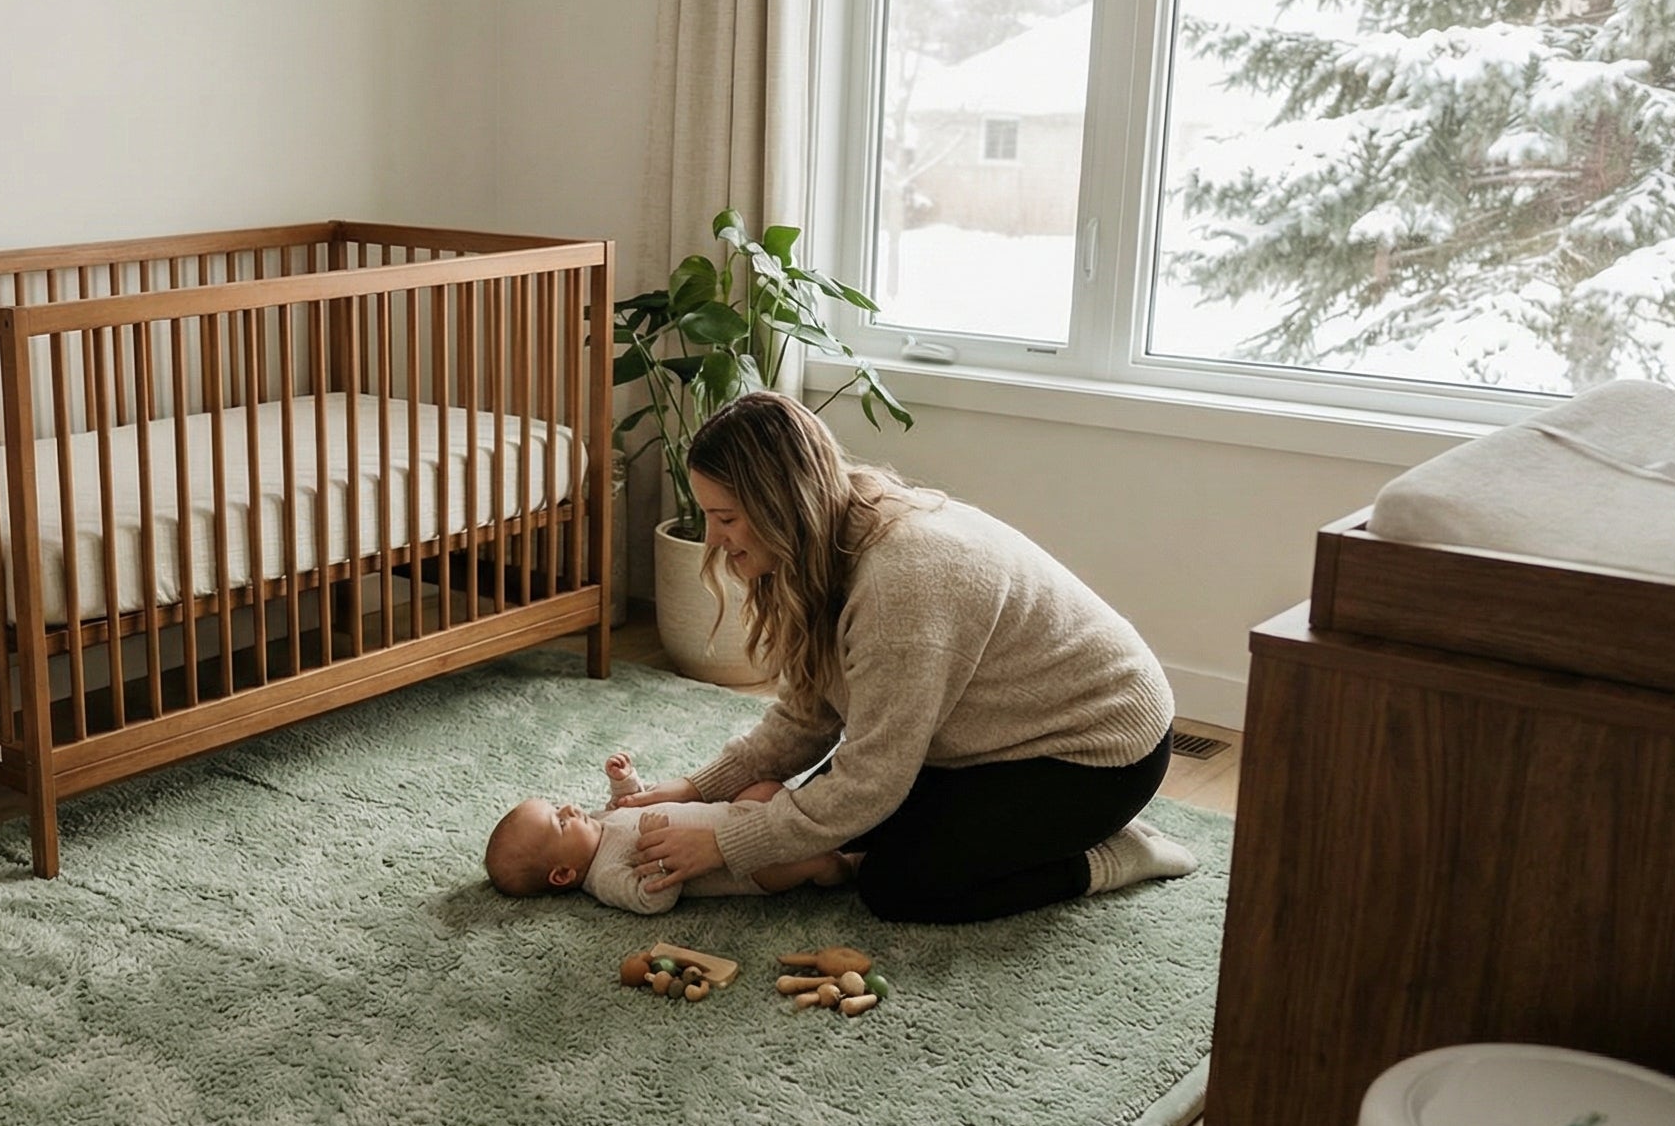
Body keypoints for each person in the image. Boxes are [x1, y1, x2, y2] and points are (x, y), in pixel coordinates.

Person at [619, 392, 1194, 923]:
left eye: (726, 519)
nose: (715, 541)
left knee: (899, 885)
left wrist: (721, 843)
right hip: (982, 740)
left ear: (782, 506)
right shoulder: (830, 534)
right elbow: (809, 718)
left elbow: (870, 782)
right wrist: (696, 789)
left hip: (1097, 753)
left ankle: (1112, 853)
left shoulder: (902, 583)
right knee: (809, 822)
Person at [484, 752, 854, 913]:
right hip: (745, 868)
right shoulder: (606, 876)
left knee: (765, 787)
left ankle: (804, 819)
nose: (568, 808)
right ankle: (837, 866)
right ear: (563, 873)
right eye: (560, 822)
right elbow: (651, 900)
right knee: (806, 860)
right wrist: (657, 857)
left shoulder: (598, 821)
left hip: (729, 814)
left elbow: (632, 804)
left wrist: (625, 782)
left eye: (556, 805)